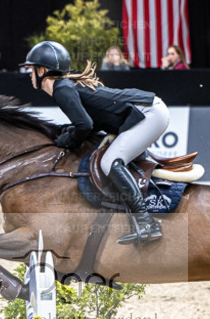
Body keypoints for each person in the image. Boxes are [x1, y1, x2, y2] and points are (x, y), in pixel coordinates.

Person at [20, 40, 169, 244]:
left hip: (148, 113)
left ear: (43, 70)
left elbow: (85, 125)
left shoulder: (61, 89)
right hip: (148, 110)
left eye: (32, 69)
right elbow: (91, 121)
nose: (29, 74)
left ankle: (146, 223)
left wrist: (68, 141)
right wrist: (69, 133)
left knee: (110, 162)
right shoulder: (64, 86)